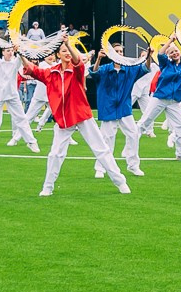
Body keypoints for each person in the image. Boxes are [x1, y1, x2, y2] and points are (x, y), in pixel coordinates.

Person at [22, 40, 130, 196]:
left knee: (101, 149)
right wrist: (20, 54)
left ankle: (120, 182)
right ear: (57, 54)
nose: (67, 53)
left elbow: (78, 61)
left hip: (82, 115)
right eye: (63, 51)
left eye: (69, 50)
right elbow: (32, 70)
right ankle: (48, 187)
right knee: (55, 154)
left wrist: (68, 44)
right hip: (63, 120)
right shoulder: (50, 72)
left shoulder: (76, 70)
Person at [91, 47, 150, 178]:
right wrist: (99, 58)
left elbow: (145, 68)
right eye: (116, 51)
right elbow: (94, 73)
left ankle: (133, 166)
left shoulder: (129, 69)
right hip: (108, 108)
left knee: (134, 134)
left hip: (124, 108)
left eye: (121, 51)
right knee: (106, 139)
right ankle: (101, 168)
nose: (119, 54)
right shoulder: (105, 68)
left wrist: (149, 56)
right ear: (110, 54)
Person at [137, 44, 181, 159]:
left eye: (176, 51)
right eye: (171, 52)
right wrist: (170, 41)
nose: (174, 53)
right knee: (143, 123)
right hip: (159, 98)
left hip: (174, 102)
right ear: (168, 55)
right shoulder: (166, 64)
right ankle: (130, 149)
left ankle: (180, 154)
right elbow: (160, 53)